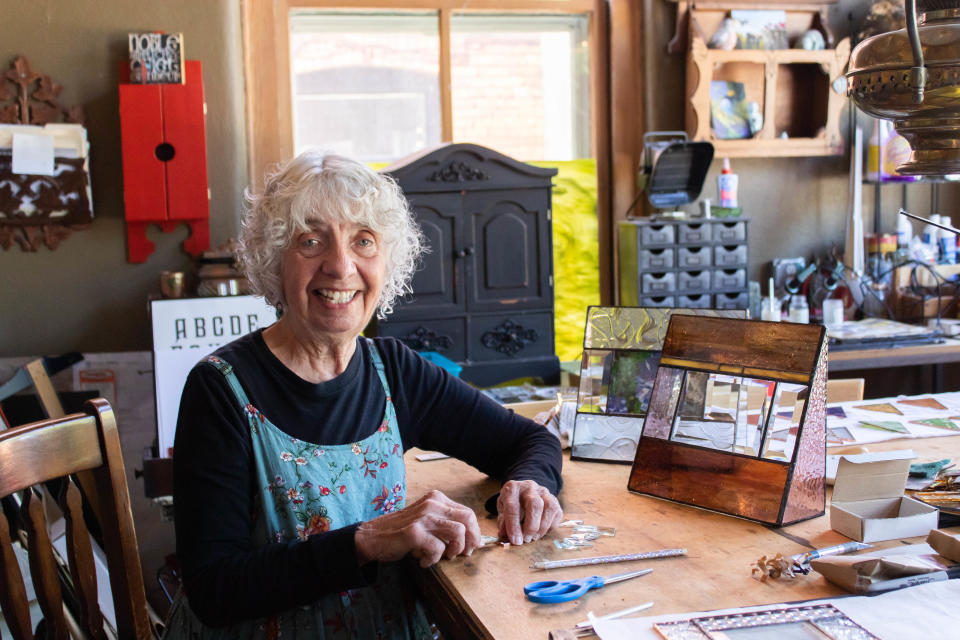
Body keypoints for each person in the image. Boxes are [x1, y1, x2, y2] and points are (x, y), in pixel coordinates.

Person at [163, 151, 563, 639]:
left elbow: (529, 442)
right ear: (274, 259)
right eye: (311, 241)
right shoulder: (220, 389)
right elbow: (215, 589)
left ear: (386, 261)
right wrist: (366, 541)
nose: (340, 266)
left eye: (363, 241)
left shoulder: (393, 370)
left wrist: (530, 486)